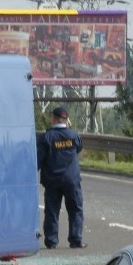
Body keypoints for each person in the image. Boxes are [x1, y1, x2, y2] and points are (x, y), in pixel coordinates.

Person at [38, 106, 86, 249]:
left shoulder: (46, 137)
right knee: (75, 209)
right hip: (71, 180)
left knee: (52, 211)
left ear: (53, 119)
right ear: (66, 120)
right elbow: (78, 149)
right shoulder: (74, 135)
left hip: (52, 180)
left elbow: (39, 159)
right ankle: (75, 239)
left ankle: (52, 241)